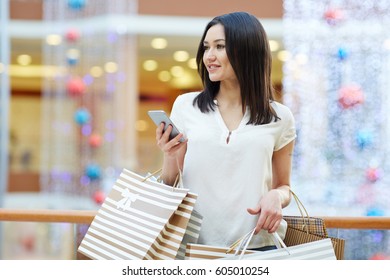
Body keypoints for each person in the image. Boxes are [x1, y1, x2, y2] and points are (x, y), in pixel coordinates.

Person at [155, 11, 296, 250]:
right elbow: (169, 184)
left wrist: (276, 197)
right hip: (194, 248)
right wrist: (169, 155)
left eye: (220, 47)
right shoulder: (185, 106)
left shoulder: (280, 117)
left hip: (257, 246)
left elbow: (284, 187)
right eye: (206, 47)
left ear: (247, 50)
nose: (209, 56)